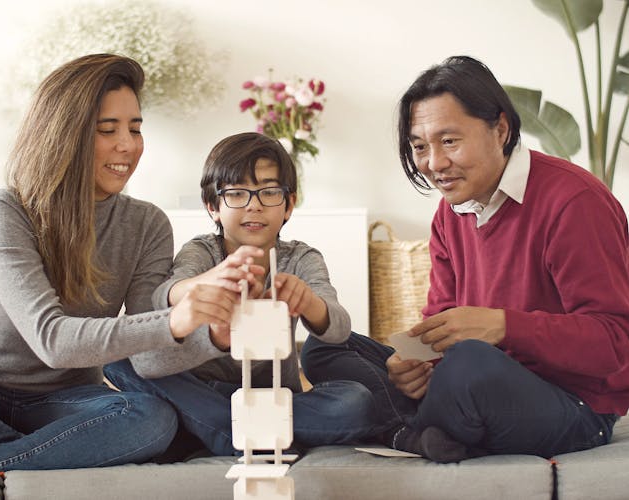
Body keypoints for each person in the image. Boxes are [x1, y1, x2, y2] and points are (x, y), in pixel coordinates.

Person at [0, 53, 213, 482]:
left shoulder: (147, 224)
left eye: (135, 128)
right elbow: (52, 340)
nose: (128, 145)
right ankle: (50, 454)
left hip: (62, 404)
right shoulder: (6, 210)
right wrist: (172, 321)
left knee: (150, 416)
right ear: (65, 133)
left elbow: (148, 360)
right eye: (107, 129)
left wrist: (209, 331)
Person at [301, 55, 629, 463]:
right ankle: (415, 427)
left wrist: (505, 327)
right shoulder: (450, 213)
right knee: (325, 347)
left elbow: (614, 343)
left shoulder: (574, 202)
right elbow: (440, 325)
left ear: (501, 128)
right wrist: (415, 365)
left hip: (574, 407)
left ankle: (396, 428)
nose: (434, 164)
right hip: (471, 385)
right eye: (420, 147)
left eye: (449, 141)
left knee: (468, 365)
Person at [104, 132, 380, 457]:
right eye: (237, 194)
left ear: (289, 205)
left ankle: (216, 430)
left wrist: (308, 302)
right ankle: (231, 429)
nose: (254, 205)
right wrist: (209, 282)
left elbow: (339, 328)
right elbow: (166, 293)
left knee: (355, 401)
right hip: (205, 391)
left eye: (268, 192)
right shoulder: (202, 252)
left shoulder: (301, 258)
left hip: (275, 398)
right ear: (213, 207)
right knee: (120, 354)